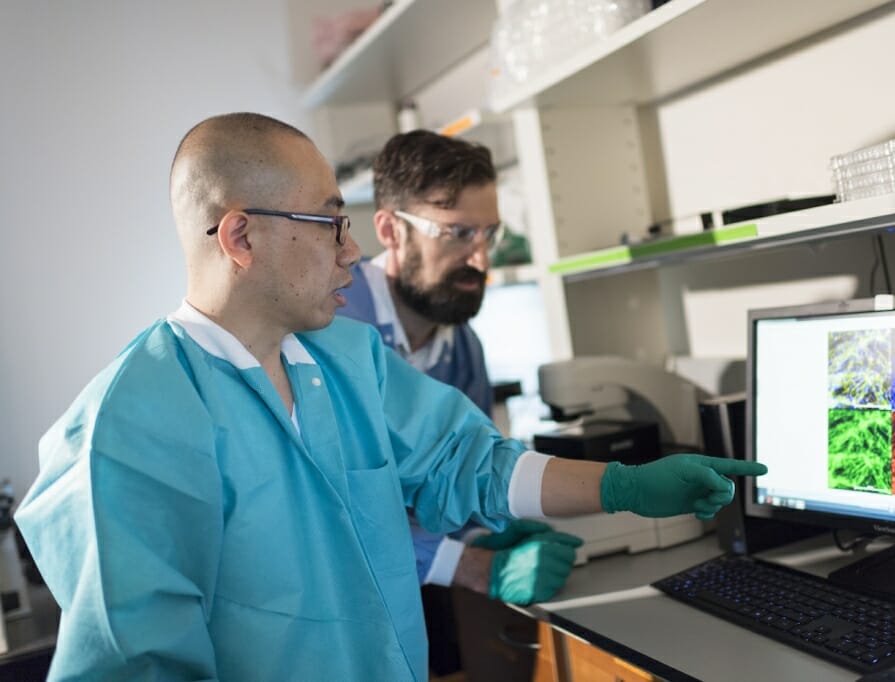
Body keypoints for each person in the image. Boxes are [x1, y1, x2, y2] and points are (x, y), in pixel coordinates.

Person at [14, 112, 766, 681]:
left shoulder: (342, 359)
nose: (351, 251)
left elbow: (469, 463)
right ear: (240, 238)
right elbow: (136, 664)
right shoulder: (127, 428)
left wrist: (627, 486)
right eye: (330, 223)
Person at [337, 130, 577, 674]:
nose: (480, 257)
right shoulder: (332, 328)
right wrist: (476, 567)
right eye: (458, 232)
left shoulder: (462, 346)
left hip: (419, 598)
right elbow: (341, 511)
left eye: (489, 233)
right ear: (390, 229)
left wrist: (487, 528)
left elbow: (460, 481)